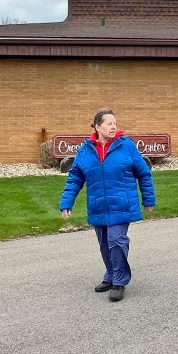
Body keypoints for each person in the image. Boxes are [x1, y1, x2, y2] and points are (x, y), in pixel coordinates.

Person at [59, 108, 156, 302]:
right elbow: (75, 177)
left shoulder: (126, 146)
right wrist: (66, 202)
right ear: (97, 126)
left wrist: (148, 199)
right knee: (104, 244)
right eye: (109, 123)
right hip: (98, 206)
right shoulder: (85, 150)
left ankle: (120, 281)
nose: (113, 126)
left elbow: (144, 173)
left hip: (122, 204)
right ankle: (111, 275)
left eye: (115, 123)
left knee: (117, 240)